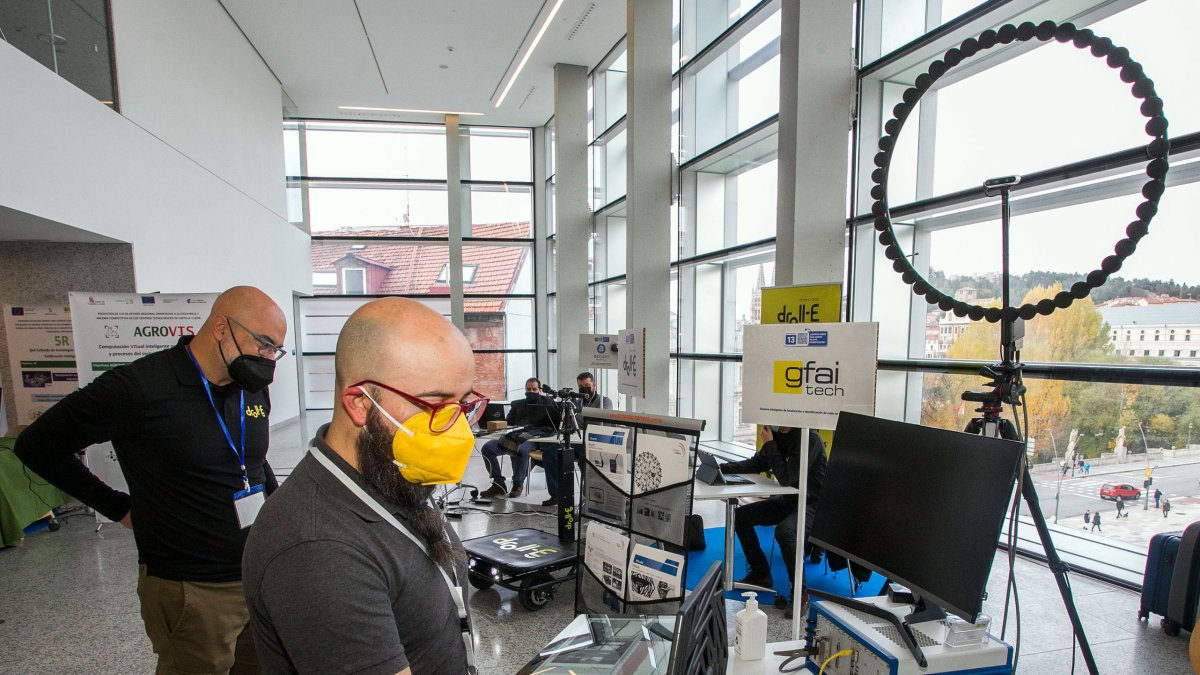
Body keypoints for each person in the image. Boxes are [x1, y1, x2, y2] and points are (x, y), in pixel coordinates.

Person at [15, 286, 287, 675]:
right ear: (221, 328)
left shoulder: (250, 386)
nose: (268, 358)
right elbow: (38, 446)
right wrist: (118, 508)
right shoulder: (139, 387)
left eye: (276, 350)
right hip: (192, 589)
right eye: (263, 344)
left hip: (255, 576)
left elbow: (252, 463)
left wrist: (279, 523)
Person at [242, 297, 484, 674]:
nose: (458, 430)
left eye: (463, 405)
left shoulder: (388, 468)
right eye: (434, 406)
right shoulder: (319, 551)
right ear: (360, 403)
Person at [720, 426, 826, 618]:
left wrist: (769, 443)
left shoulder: (809, 439)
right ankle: (760, 573)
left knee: (785, 532)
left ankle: (800, 594)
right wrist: (721, 468)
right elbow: (757, 463)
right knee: (740, 516)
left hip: (812, 505)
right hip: (788, 501)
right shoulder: (777, 435)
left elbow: (786, 478)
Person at [540, 372, 614, 506]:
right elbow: (569, 419)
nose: (584, 388)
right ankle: (556, 494)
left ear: (594, 385)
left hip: (593, 442)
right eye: (580, 386)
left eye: (587, 385)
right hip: (575, 440)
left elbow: (600, 420)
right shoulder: (575, 401)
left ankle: (588, 496)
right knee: (550, 454)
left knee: (585, 460)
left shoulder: (604, 401)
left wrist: (578, 415)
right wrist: (580, 416)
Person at [478, 377, 555, 498]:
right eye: (528, 389)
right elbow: (508, 422)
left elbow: (553, 425)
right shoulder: (517, 404)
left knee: (520, 449)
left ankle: (518, 483)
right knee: (487, 448)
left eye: (534, 389)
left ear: (540, 390)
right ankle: (498, 483)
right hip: (515, 435)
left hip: (534, 438)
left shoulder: (548, 404)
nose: (531, 392)